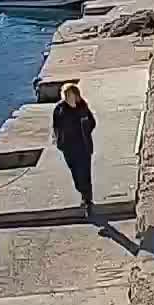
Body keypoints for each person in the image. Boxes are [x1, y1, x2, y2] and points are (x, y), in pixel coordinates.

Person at [53, 82, 97, 219]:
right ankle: (82, 192)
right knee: (76, 175)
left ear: (76, 95)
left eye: (70, 95)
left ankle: (87, 201)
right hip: (68, 147)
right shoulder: (60, 109)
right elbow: (55, 126)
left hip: (83, 147)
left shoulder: (82, 107)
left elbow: (92, 122)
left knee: (85, 174)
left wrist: (85, 129)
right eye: (66, 95)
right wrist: (59, 141)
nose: (68, 97)